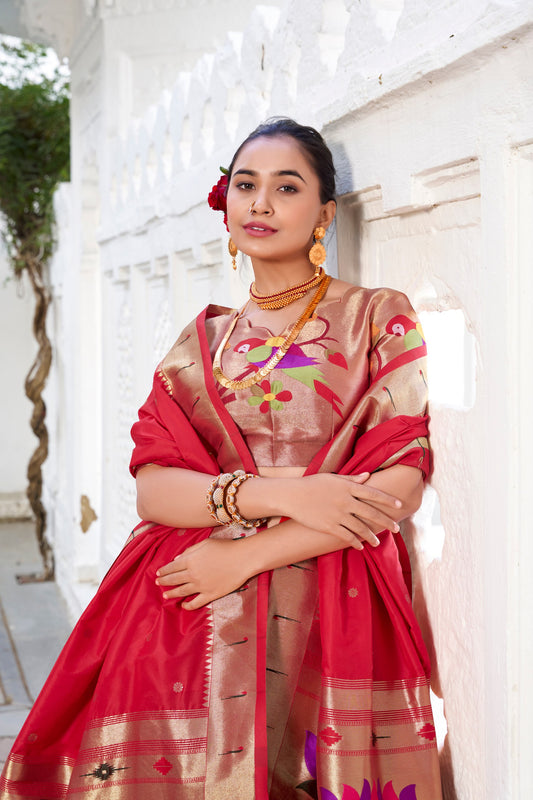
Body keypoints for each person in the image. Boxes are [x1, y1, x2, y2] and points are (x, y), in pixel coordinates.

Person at [0, 118, 442, 799]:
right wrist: (283, 495)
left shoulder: (375, 317)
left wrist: (247, 554)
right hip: (192, 610)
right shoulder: (199, 343)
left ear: (325, 213)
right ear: (226, 203)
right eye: (245, 185)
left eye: (286, 187)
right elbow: (154, 489)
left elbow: (400, 484)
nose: (260, 203)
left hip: (329, 601)